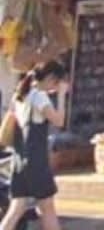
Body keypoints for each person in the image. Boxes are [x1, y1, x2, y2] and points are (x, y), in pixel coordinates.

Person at [1, 60, 68, 230]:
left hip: (19, 161)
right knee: (47, 209)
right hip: (36, 163)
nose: (55, 88)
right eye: (56, 83)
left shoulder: (20, 96)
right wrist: (61, 96)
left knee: (16, 209)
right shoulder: (39, 96)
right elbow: (59, 121)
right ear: (51, 78)